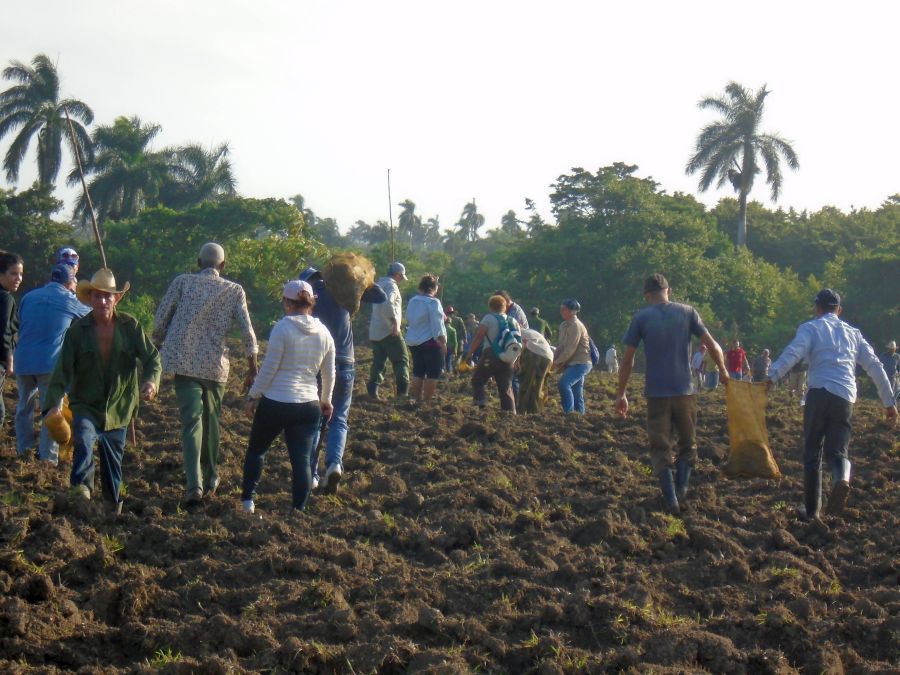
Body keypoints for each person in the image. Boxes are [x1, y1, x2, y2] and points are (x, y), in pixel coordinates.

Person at [767, 289, 897, 521]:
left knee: (812, 454)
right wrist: (889, 403)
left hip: (818, 395)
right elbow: (875, 366)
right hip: (844, 397)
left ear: (817, 308)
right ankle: (842, 479)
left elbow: (793, 352)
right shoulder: (854, 334)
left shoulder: (811, 328)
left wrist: (772, 376)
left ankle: (811, 511)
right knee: (838, 451)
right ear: (839, 310)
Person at [43, 269, 161, 514]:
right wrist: (53, 403)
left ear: (116, 299)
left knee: (112, 459)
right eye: (98, 296)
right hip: (86, 402)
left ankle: (112, 505)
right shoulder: (77, 331)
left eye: (108, 296)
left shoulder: (130, 327)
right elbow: (62, 370)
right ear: (90, 299)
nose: (103, 301)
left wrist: (151, 382)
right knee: (84, 441)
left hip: (120, 405)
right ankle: (81, 492)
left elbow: (152, 359)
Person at [153, 243, 259, 505]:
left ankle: (194, 485)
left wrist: (156, 344)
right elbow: (247, 331)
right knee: (212, 422)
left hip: (183, 361)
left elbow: (161, 317)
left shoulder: (182, 282)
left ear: (198, 262)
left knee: (191, 422)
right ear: (222, 266)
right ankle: (211, 478)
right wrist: (252, 367)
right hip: (215, 366)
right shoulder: (234, 290)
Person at [616, 274, 728, 513]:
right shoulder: (688, 312)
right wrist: (725, 376)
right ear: (669, 290)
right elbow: (715, 346)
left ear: (647, 295)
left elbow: (627, 361)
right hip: (685, 390)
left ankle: (671, 500)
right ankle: (682, 491)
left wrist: (621, 393)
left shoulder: (641, 317)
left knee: (660, 446)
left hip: (656, 392)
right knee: (688, 444)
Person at [241, 280, 335, 515]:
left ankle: (247, 502)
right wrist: (326, 400)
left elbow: (270, 368)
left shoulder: (282, 328)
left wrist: (253, 396)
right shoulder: (324, 332)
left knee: (257, 451)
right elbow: (329, 373)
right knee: (302, 460)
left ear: (287, 303)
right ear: (311, 301)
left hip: (276, 402)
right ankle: (298, 509)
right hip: (308, 405)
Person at [299, 266, 386, 493]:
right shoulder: (343, 292)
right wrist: (361, 280)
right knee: (339, 417)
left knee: (316, 417)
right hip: (345, 361)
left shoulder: (308, 296)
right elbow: (380, 296)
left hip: (318, 362)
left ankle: (311, 476)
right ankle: (334, 464)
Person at [14, 264, 89, 462]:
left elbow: (21, 322)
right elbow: (93, 314)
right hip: (50, 363)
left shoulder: (28, 297)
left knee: (24, 407)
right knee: (52, 411)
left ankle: (24, 451)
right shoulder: (68, 299)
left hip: (22, 360)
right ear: (69, 283)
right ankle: (47, 457)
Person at [463, 294, 518, 413]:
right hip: (508, 357)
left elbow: (479, 336)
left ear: (490, 306)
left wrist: (470, 353)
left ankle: (480, 406)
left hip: (491, 355)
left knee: (477, 380)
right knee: (506, 387)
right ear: (504, 307)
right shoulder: (512, 320)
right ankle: (509, 413)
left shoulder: (488, 318)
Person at [367, 261, 410, 400]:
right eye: (401, 277)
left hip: (376, 331)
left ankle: (372, 391)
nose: (401, 280)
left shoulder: (378, 284)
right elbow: (387, 303)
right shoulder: (392, 285)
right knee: (401, 361)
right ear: (397, 274)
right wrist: (395, 323)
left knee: (378, 362)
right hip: (389, 330)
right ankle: (402, 394)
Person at [404, 275, 447, 403]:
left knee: (418, 371)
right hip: (430, 342)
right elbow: (437, 324)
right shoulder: (433, 302)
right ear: (434, 288)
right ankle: (426, 401)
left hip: (413, 341)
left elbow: (409, 318)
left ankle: (417, 399)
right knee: (433, 373)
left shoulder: (413, 301)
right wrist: (442, 341)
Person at [553, 298, 592, 414]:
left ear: (572, 311)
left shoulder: (576, 325)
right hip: (572, 363)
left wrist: (556, 363)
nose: (561, 312)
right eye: (561, 309)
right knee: (576, 391)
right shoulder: (563, 325)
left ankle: (569, 414)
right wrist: (553, 357)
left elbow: (570, 349)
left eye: (564, 309)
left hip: (581, 363)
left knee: (564, 384)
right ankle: (580, 416)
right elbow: (561, 346)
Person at [0, 251, 24, 430]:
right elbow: (4, 332)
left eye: (21, 274)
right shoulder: (5, 299)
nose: (19, 278)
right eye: (13, 273)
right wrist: (9, 360)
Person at [518, 328, 553, 413]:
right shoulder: (531, 331)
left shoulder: (517, 332)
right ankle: (535, 411)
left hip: (534, 354)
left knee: (526, 383)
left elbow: (522, 345)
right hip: (548, 357)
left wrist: (517, 361)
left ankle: (521, 411)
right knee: (538, 386)